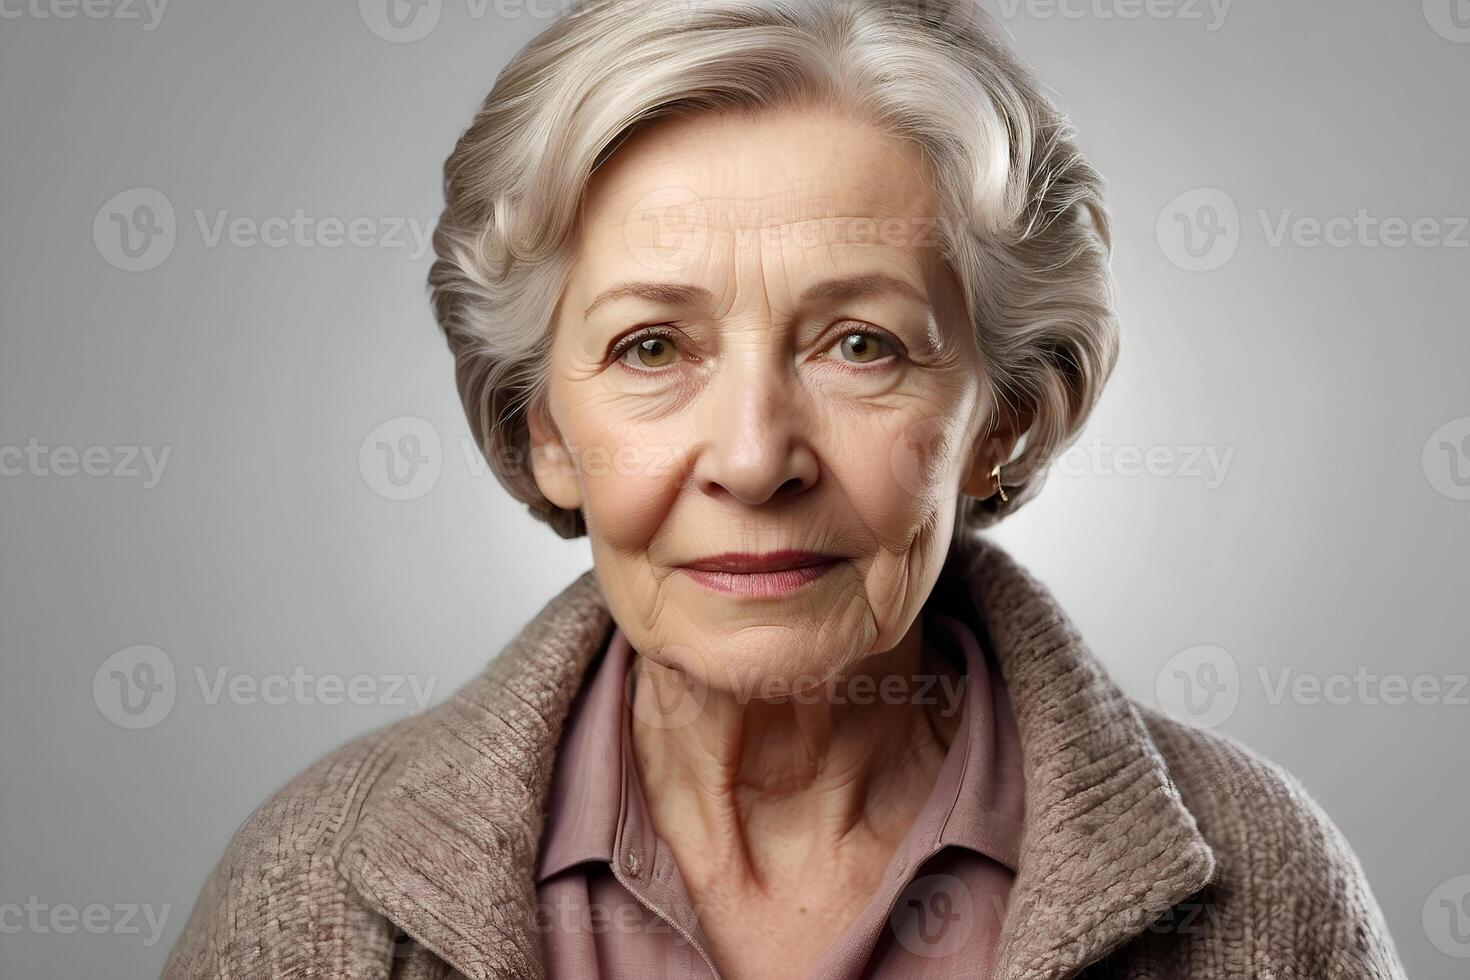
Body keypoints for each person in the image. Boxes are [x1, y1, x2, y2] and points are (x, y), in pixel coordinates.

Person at [165, 0, 1405, 976]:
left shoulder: (1267, 882)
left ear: (1000, 417)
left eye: (860, 344)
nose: (757, 458)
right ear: (546, 426)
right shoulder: (313, 887)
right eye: (652, 347)